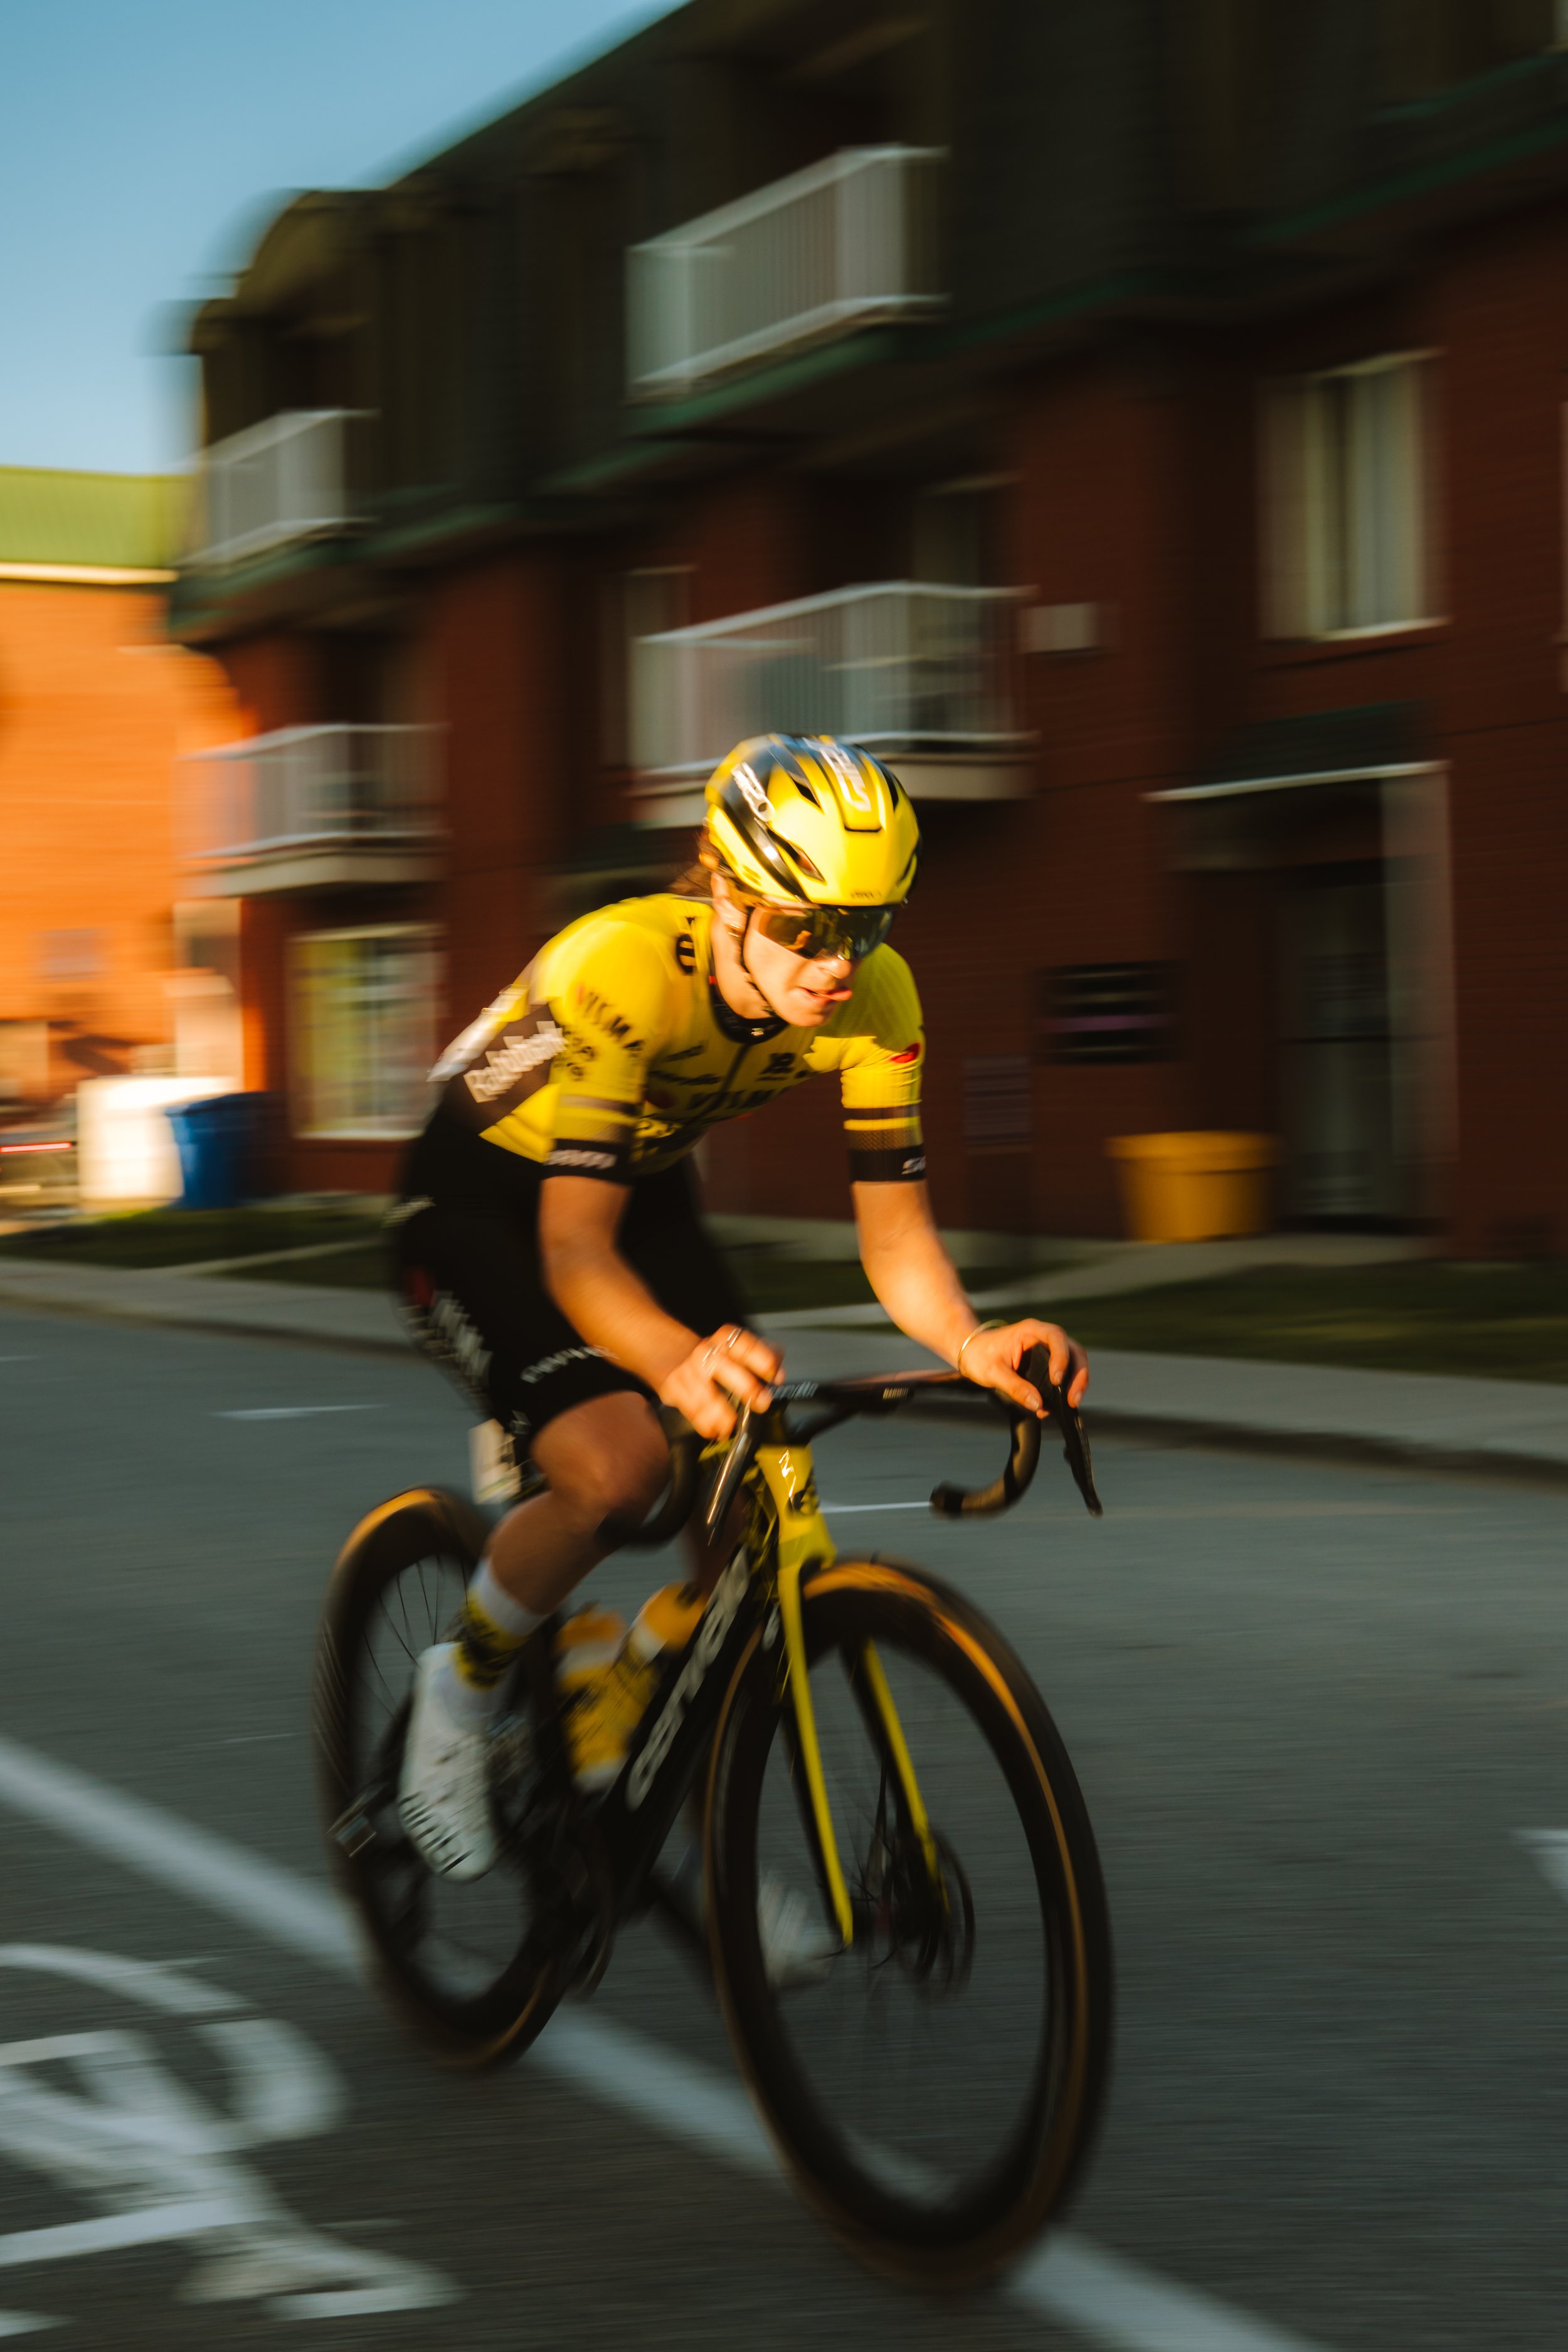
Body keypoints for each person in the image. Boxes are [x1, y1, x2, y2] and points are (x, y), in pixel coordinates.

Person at [393, 734, 1089, 1915]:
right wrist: (672, 1356)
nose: (835, 963)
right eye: (803, 927)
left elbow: (897, 1240)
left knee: (746, 1490)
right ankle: (459, 1694)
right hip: (480, 1203)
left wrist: (972, 1344)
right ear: (723, 888)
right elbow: (573, 1250)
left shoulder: (879, 998)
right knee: (619, 1476)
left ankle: (659, 1748)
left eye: (863, 926)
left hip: (636, 1186)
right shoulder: (621, 963)